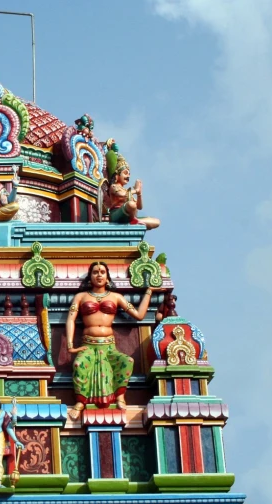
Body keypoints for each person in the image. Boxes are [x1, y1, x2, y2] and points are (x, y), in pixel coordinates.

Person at [65, 261, 154, 419]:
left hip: (109, 346)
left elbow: (139, 315)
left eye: (102, 272)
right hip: (88, 345)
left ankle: (120, 395)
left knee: (127, 361)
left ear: (107, 277)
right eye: (95, 272)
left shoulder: (115, 297)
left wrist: (149, 292)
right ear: (90, 277)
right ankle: (80, 402)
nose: (99, 275)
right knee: (79, 365)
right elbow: (71, 320)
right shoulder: (81, 297)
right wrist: (70, 345)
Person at [107, 154, 160, 230]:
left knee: (156, 221)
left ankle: (135, 221)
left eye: (129, 174)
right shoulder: (113, 187)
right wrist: (135, 190)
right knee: (131, 204)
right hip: (116, 215)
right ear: (117, 176)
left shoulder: (127, 190)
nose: (128, 176)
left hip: (129, 216)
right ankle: (134, 220)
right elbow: (122, 195)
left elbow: (139, 207)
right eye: (125, 173)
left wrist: (139, 194)